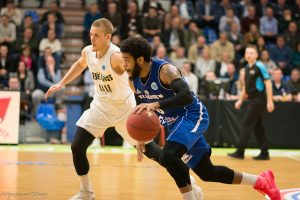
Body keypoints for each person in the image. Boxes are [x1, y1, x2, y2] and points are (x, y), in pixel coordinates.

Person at [44, 18, 201, 200]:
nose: (92, 39)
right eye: (91, 35)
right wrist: (61, 83)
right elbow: (80, 64)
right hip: (100, 107)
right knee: (77, 146)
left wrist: (144, 104)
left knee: (155, 153)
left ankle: (188, 180)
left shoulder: (117, 56)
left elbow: (135, 76)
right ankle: (86, 192)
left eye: (97, 36)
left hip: (124, 110)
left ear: (108, 37)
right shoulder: (88, 51)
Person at [120, 37, 281, 200]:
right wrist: (141, 137)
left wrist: (157, 104)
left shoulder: (165, 71)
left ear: (140, 59)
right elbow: (142, 107)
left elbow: (186, 96)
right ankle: (261, 181)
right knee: (207, 172)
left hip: (192, 115)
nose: (123, 65)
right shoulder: (133, 81)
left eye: (126, 60)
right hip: (175, 123)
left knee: (168, 156)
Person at [228, 45, 275, 160]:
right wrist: (240, 100)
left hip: (259, 100)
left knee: (246, 124)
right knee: (258, 127)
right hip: (252, 100)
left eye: (252, 52)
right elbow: (245, 88)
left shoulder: (259, 66)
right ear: (245, 55)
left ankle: (240, 152)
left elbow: (268, 83)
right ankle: (265, 153)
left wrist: (270, 101)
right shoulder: (246, 69)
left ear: (256, 55)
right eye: (247, 52)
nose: (249, 54)